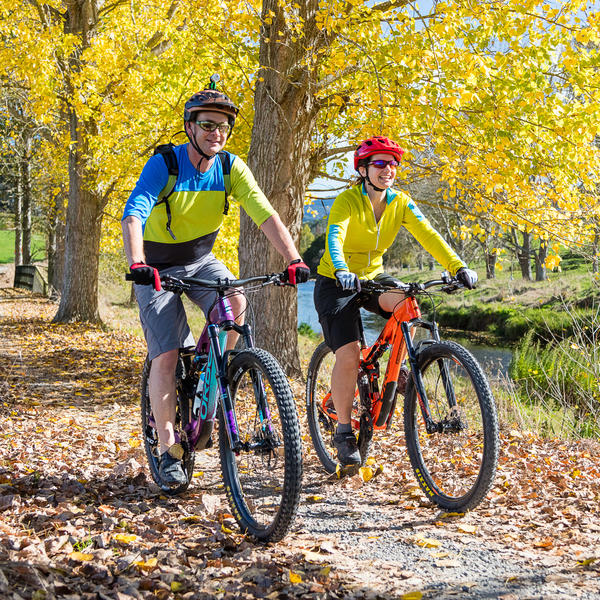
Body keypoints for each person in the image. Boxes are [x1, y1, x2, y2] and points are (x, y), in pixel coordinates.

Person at [122, 78, 309, 488]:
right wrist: (137, 262)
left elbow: (266, 215)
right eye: (207, 125)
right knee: (167, 355)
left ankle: (212, 368)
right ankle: (168, 448)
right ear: (190, 127)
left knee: (236, 301)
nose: (216, 133)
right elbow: (134, 214)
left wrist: (293, 259)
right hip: (155, 265)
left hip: (201, 259)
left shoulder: (230, 167)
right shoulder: (165, 165)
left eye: (223, 126)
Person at [314, 135, 477, 467]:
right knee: (349, 354)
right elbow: (335, 234)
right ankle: (343, 431)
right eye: (379, 163)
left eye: (392, 164)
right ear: (363, 169)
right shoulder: (348, 200)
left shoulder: (400, 202)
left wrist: (457, 266)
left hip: (372, 278)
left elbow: (428, 233)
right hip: (336, 281)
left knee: (408, 302)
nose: (387, 169)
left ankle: (399, 366)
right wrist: (342, 268)